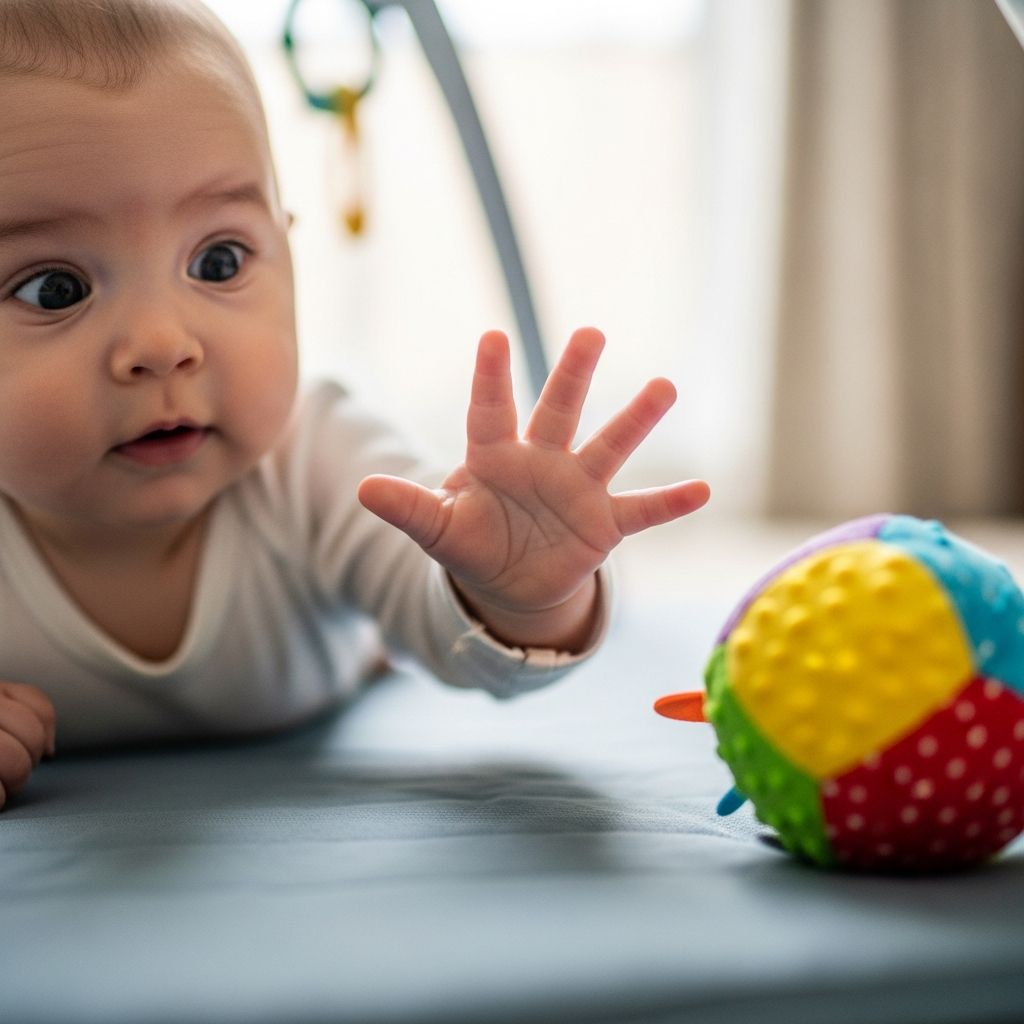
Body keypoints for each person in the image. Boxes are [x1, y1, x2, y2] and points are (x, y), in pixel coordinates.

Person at [0, 0, 710, 809]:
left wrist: (521, 595)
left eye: (220, 260)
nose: (165, 344)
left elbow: (451, 624)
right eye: (54, 288)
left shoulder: (314, 454)